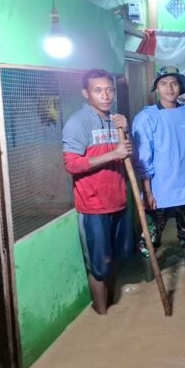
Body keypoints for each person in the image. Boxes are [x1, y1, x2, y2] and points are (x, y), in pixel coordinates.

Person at [62, 68, 133, 315]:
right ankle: (102, 316)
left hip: (119, 201)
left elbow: (126, 155)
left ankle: (110, 309)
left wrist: (126, 132)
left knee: (117, 258)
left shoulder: (115, 120)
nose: (106, 96)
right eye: (98, 90)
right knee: (100, 265)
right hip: (93, 206)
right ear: (86, 93)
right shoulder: (77, 123)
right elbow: (71, 165)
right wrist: (114, 153)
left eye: (109, 90)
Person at [132, 66, 185, 272]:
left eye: (174, 83)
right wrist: (147, 191)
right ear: (157, 88)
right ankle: (150, 276)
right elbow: (143, 157)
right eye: (164, 83)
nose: (169, 88)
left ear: (181, 88)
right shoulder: (146, 117)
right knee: (151, 235)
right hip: (158, 188)